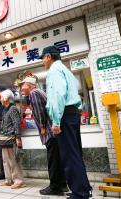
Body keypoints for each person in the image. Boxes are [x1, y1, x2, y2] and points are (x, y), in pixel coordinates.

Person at [41, 45, 91, 198]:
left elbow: (57, 96)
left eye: (43, 58)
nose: (43, 61)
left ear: (49, 56)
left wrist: (55, 122)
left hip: (64, 116)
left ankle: (80, 194)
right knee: (75, 153)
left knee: (69, 155)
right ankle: (84, 188)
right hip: (73, 114)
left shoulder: (54, 71)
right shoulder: (66, 70)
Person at [20, 74, 67, 195]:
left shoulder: (34, 93)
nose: (21, 88)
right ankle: (62, 185)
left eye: (23, 85)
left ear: (30, 86)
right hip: (54, 131)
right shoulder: (39, 92)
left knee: (53, 159)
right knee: (57, 158)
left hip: (49, 132)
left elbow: (39, 111)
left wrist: (42, 127)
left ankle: (55, 187)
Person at [0, 89, 25, 189]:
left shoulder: (13, 108)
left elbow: (16, 123)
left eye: (1, 97)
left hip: (11, 138)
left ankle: (19, 180)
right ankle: (8, 179)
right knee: (5, 160)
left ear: (6, 98)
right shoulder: (5, 109)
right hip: (4, 138)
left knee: (13, 160)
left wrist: (18, 137)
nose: (0, 99)